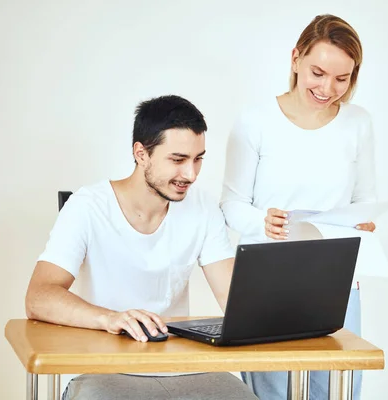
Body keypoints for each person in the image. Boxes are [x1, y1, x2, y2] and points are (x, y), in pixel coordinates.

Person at [25, 95, 257, 400]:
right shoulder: (88, 206)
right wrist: (110, 318)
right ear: (141, 154)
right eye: (177, 159)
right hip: (102, 371)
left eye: (198, 158)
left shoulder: (203, 207)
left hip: (183, 368)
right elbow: (38, 297)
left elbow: (235, 300)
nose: (190, 174)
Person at [220, 14, 377, 400]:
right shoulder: (255, 121)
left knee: (337, 387)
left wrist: (365, 222)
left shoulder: (358, 123)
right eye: (318, 73)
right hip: (266, 274)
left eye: (342, 79)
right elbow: (231, 204)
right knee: (270, 390)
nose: (328, 88)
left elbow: (365, 200)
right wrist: (263, 221)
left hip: (336, 277)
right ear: (295, 59)